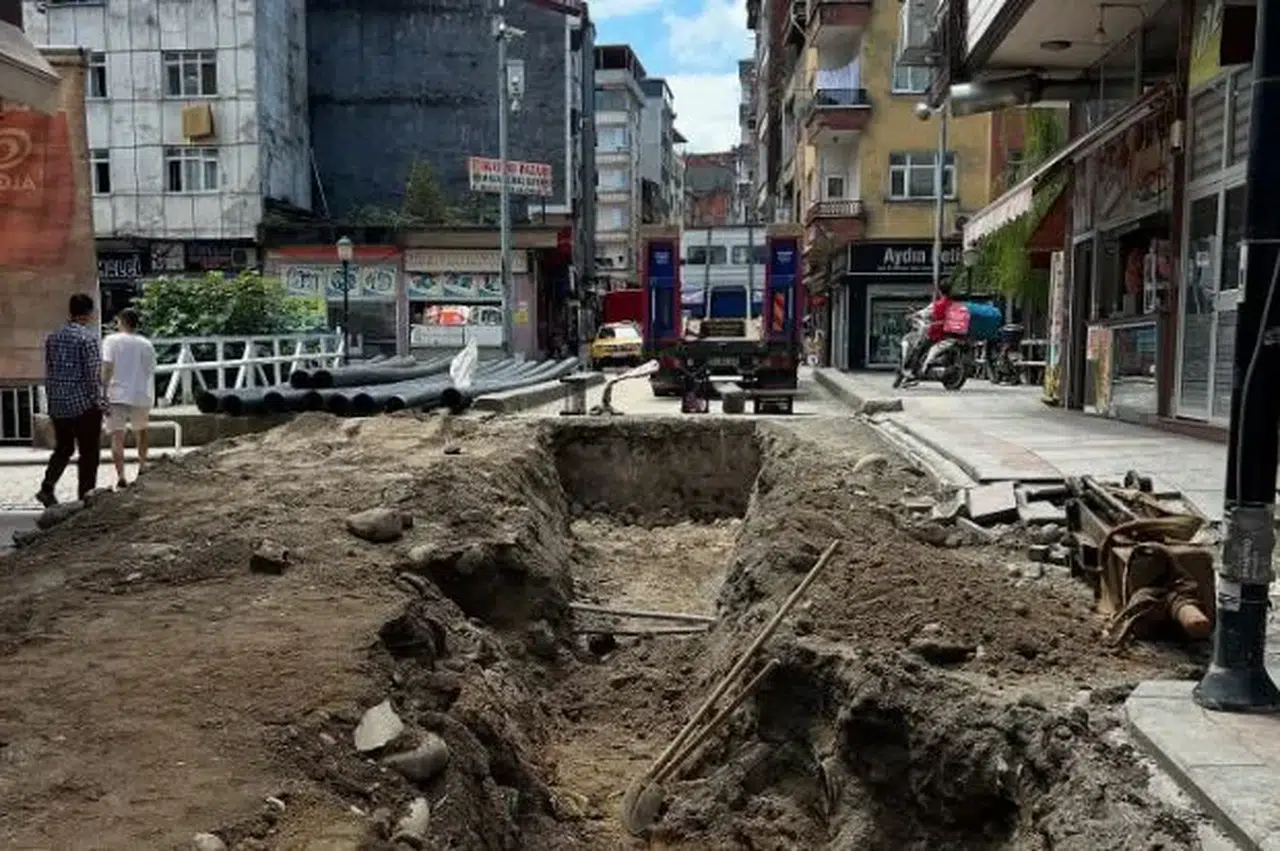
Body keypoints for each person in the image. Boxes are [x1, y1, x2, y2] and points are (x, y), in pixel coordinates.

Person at [37, 293, 104, 507]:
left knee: (64, 448)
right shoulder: (88, 338)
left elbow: (50, 369)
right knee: (89, 452)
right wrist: (100, 402)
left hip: (58, 403)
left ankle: (47, 487)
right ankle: (86, 497)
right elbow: (93, 375)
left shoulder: (53, 337)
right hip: (82, 404)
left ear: (71, 311)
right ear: (89, 313)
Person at [101, 307, 156, 490]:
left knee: (117, 436)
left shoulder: (111, 340)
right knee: (141, 431)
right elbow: (149, 369)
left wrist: (103, 389)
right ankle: (142, 467)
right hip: (140, 393)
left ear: (121, 322)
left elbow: (107, 366)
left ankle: (121, 476)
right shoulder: (146, 344)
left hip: (116, 394)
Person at [902, 280, 955, 380]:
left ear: (940, 291)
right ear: (951, 291)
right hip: (952, 334)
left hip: (938, 334)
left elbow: (923, 313)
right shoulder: (955, 305)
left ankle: (910, 372)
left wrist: (912, 315)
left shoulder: (937, 305)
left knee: (919, 348)